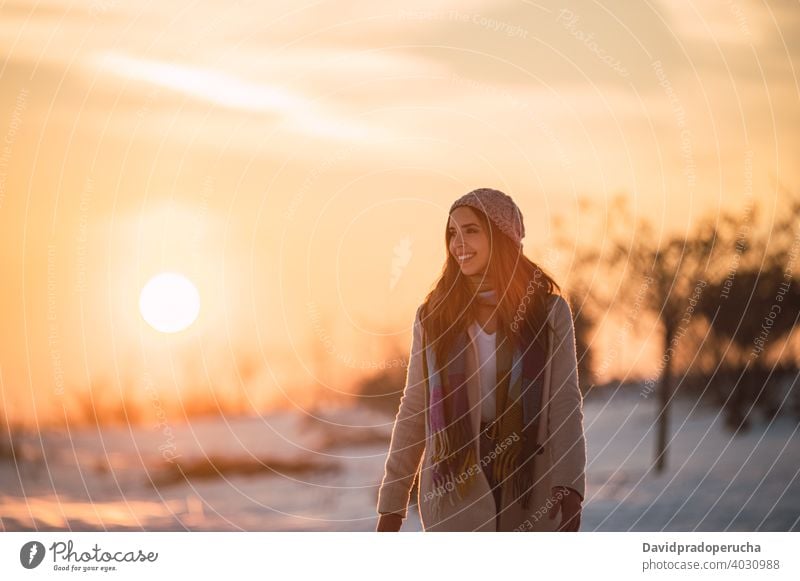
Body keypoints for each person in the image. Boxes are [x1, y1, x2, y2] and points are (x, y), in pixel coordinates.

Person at [376, 188, 586, 532]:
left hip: (529, 485)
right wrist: (392, 505)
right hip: (455, 491)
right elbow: (415, 407)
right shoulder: (434, 316)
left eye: (471, 230)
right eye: (452, 233)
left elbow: (564, 401)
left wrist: (570, 486)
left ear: (502, 236)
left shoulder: (547, 312)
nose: (459, 243)